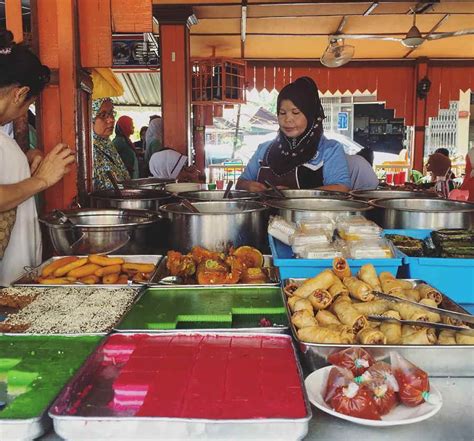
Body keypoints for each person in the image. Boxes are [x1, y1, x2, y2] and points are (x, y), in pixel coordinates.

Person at [0, 30, 75, 286]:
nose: (24, 111)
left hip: (15, 273)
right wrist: (42, 180)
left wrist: (25, 158)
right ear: (19, 93)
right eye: (27, 104)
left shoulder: (3, 131)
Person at [236, 77, 350, 192]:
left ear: (310, 115)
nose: (288, 119)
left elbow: (341, 189)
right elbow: (241, 182)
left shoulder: (330, 150)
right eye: (282, 113)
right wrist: (248, 186)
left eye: (295, 112)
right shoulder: (264, 150)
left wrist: (294, 195)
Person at [92, 98, 130, 189]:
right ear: (89, 118)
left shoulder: (107, 145)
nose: (111, 120)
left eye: (111, 113)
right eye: (103, 115)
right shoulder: (87, 151)